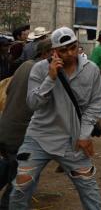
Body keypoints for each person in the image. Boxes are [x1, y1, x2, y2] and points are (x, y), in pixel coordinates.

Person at [10, 27, 101, 209]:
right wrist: (50, 78)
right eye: (63, 50)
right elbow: (32, 104)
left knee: (89, 189)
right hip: (39, 137)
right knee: (21, 186)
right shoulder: (39, 69)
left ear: (78, 46)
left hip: (73, 139)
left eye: (73, 47)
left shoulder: (91, 70)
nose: (69, 53)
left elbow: (95, 104)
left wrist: (84, 135)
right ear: (54, 51)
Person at [0, 39, 52, 209]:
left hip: (6, 129)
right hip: (22, 135)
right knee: (22, 183)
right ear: (47, 54)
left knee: (9, 169)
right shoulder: (44, 73)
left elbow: (7, 91)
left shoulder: (24, 66)